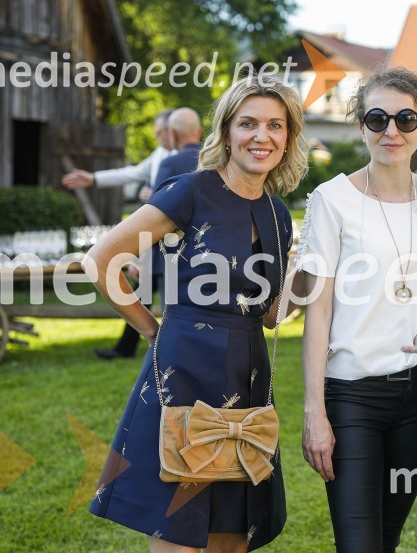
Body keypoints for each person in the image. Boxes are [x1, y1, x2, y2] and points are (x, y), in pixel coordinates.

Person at [84, 76, 307, 552]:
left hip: (247, 377)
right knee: (179, 530)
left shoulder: (277, 213)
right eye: (247, 123)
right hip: (183, 373)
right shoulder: (190, 191)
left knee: (232, 535)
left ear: (288, 137)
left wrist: (311, 274)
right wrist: (150, 328)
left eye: (274, 125)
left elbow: (270, 316)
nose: (260, 136)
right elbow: (100, 261)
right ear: (226, 131)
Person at [296, 66, 417, 553]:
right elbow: (317, 311)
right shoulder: (331, 199)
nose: (392, 131)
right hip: (350, 397)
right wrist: (314, 412)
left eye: (406, 118)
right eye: (377, 118)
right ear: (361, 125)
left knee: (386, 538)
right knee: (358, 543)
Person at [93, 108, 203, 360]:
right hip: (210, 257)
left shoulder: (170, 163)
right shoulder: (217, 163)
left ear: (173, 134)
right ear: (199, 132)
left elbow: (154, 222)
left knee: (173, 318)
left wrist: (141, 259)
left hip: (170, 258)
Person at [62, 108, 175, 201]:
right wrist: (94, 178)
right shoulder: (159, 152)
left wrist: (157, 195)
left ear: (171, 131)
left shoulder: (190, 156)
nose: (155, 137)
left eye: (159, 132)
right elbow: (134, 172)